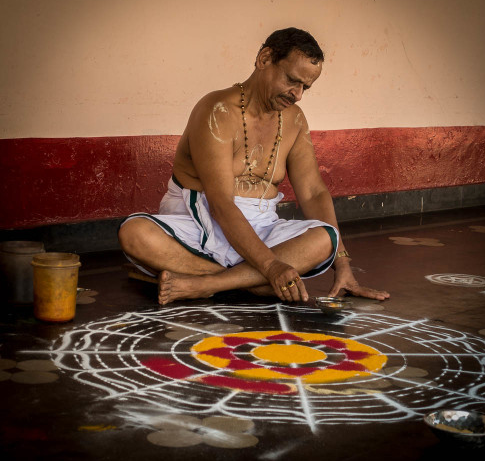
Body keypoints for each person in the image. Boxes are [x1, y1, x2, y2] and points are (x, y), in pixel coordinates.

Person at [119, 27, 390, 306]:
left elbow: (313, 192)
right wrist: (272, 268)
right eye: (291, 80)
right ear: (264, 59)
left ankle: (208, 283)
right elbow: (221, 205)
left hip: (262, 228)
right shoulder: (218, 110)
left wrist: (342, 263)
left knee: (324, 239)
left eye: (305, 88)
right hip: (198, 225)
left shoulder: (294, 119)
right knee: (135, 234)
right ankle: (254, 283)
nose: (297, 95)